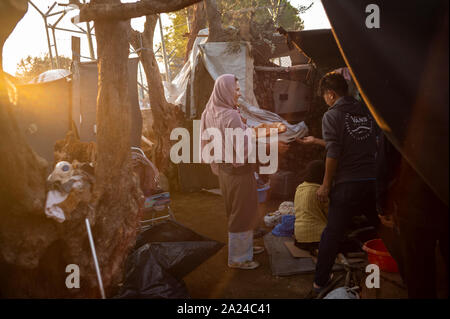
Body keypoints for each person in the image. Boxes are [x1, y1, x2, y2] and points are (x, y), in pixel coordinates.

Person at [296, 72, 378, 296]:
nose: (325, 99)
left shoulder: (332, 115)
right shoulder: (365, 111)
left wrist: (325, 184)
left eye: (325, 96)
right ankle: (394, 268)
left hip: (348, 183)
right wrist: (317, 141)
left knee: (331, 233)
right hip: (372, 180)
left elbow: (334, 152)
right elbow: (350, 142)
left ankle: (320, 282)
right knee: (380, 229)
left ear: (331, 94)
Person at [200, 74, 287, 270]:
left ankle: (244, 246)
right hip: (239, 171)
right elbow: (242, 147)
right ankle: (239, 258)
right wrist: (271, 147)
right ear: (225, 91)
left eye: (238, 89)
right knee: (242, 213)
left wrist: (260, 131)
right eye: (236, 90)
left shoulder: (211, 111)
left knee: (238, 209)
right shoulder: (230, 115)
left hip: (225, 170)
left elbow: (231, 137)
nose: (239, 93)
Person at [293, 160, 328, 256]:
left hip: (299, 239)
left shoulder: (299, 188)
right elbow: (330, 214)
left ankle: (315, 249)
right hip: (318, 238)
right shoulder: (321, 192)